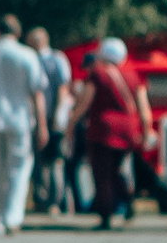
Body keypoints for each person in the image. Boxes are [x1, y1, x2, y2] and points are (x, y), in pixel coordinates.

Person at [0, 13, 51, 235]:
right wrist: (42, 126)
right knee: (18, 169)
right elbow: (37, 93)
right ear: (18, 33)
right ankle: (12, 216)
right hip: (19, 120)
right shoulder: (27, 55)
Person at [73, 37, 153, 229]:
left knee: (102, 173)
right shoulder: (133, 75)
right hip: (127, 130)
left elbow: (85, 102)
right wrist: (146, 130)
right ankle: (127, 200)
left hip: (102, 130)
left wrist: (71, 122)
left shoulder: (97, 74)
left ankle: (106, 215)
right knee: (116, 170)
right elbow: (144, 109)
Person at [26, 26, 74, 213]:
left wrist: (52, 117)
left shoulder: (40, 59)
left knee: (45, 161)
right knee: (52, 162)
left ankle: (47, 200)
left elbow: (62, 89)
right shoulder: (57, 59)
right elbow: (63, 87)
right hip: (51, 119)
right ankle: (51, 201)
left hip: (43, 118)